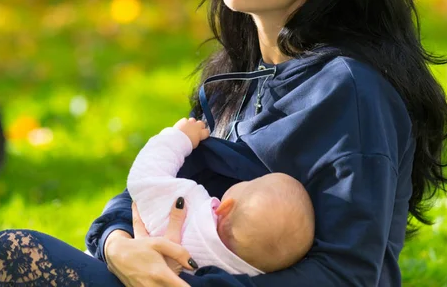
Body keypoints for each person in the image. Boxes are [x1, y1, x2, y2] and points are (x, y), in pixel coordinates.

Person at [0, 0, 447, 286]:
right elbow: (148, 187)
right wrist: (117, 246)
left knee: (12, 257)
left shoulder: (349, 91)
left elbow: (350, 274)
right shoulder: (232, 81)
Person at [128, 117, 315, 275]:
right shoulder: (241, 275)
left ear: (225, 207)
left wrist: (178, 138)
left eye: (250, 183)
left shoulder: (188, 212)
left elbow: (143, 178)